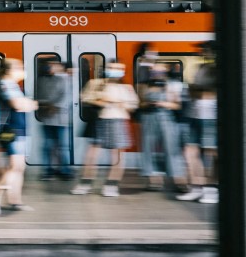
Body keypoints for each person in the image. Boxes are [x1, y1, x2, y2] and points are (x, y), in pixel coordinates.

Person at [71, 61, 139, 197]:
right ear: (107, 69)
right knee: (92, 154)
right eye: (113, 68)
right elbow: (84, 97)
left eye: (119, 69)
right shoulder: (96, 83)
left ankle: (112, 184)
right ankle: (85, 183)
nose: (116, 71)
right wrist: (101, 100)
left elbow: (133, 105)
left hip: (119, 121)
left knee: (117, 155)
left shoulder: (126, 88)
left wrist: (118, 103)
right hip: (99, 120)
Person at [0, 58, 38, 215]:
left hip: (19, 130)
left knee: (20, 167)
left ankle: (15, 201)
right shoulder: (6, 84)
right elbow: (19, 105)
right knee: (14, 167)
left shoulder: (13, 85)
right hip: (11, 131)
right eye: (19, 67)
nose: (22, 70)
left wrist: (27, 104)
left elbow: (26, 105)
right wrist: (28, 104)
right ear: (10, 69)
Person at [178, 46, 219, 204]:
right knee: (190, 151)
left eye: (206, 50)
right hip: (195, 114)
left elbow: (206, 92)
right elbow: (194, 90)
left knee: (211, 153)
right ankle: (196, 187)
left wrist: (200, 91)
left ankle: (211, 188)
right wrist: (199, 91)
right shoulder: (201, 68)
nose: (203, 53)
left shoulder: (218, 70)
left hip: (211, 115)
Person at [138, 63, 187, 194]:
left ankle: (178, 180)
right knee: (148, 149)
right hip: (148, 118)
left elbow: (177, 105)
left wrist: (163, 103)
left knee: (172, 149)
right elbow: (141, 103)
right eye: (154, 71)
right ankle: (154, 181)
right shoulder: (144, 86)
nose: (156, 74)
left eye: (159, 71)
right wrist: (147, 104)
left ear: (165, 71)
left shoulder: (173, 85)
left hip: (167, 119)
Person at [35, 59, 73, 182]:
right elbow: (40, 96)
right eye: (50, 64)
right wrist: (44, 106)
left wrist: (54, 106)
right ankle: (48, 170)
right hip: (47, 118)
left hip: (61, 119)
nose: (50, 67)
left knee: (62, 146)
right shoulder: (43, 80)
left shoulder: (65, 79)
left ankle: (65, 170)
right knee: (48, 146)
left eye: (53, 65)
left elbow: (67, 97)